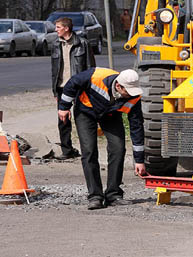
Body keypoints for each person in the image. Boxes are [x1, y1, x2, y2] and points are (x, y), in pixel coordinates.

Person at [58, 68, 146, 210]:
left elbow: (136, 127)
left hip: (110, 115)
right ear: (118, 86)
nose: (130, 95)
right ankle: (95, 196)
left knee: (118, 148)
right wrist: (64, 107)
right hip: (85, 111)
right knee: (89, 150)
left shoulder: (134, 96)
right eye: (127, 91)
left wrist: (139, 160)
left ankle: (113, 194)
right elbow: (72, 83)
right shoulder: (96, 76)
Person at [51, 17, 96, 160]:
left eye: (58, 27)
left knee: (83, 118)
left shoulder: (83, 43)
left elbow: (90, 67)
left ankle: (87, 150)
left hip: (79, 88)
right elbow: (54, 69)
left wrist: (89, 89)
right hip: (62, 87)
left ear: (66, 28)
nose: (55, 30)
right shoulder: (55, 44)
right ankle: (67, 150)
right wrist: (55, 90)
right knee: (63, 120)